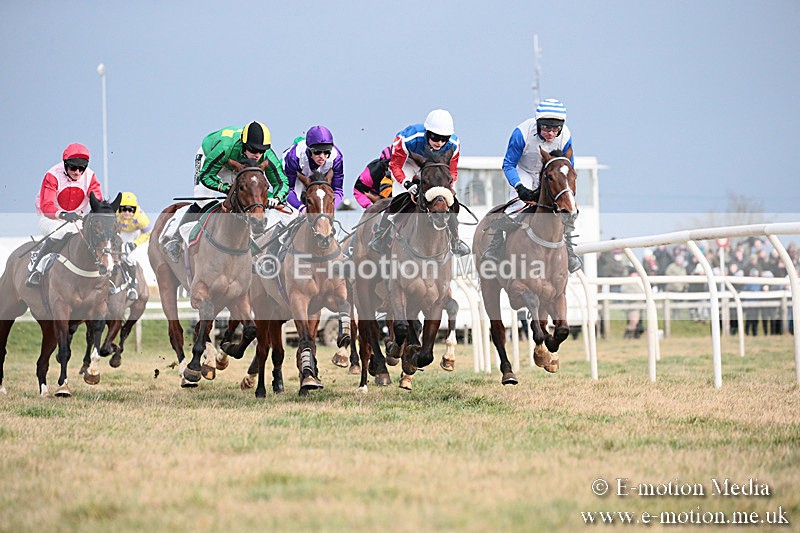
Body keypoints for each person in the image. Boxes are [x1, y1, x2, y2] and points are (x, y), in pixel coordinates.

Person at [163, 121, 289, 261]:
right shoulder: (225, 148)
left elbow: (281, 182)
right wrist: (224, 187)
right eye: (253, 150)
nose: (258, 155)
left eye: (261, 150)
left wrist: (276, 198)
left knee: (250, 201)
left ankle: (247, 248)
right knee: (203, 200)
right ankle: (176, 239)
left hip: (240, 167)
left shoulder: (266, 156)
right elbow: (205, 176)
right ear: (244, 145)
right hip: (211, 158)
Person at [483, 98, 582, 272]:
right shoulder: (521, 133)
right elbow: (508, 164)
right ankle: (495, 246)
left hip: (550, 174)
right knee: (517, 206)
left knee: (563, 208)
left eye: (554, 129)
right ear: (538, 124)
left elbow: (568, 168)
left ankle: (569, 251)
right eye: (545, 128)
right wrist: (520, 187)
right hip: (523, 171)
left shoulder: (566, 135)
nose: (550, 134)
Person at [368, 109, 470, 257]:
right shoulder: (407, 139)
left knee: (450, 200)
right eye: (435, 138)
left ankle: (456, 240)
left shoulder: (454, 144)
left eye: (444, 139)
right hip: (408, 163)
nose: (440, 143)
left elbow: (452, 171)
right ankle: (380, 235)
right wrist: (407, 184)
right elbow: (395, 166)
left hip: (434, 168)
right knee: (399, 199)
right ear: (428, 133)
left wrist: (448, 187)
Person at [27, 143, 103, 286]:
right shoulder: (52, 175)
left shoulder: (90, 176)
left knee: (91, 237)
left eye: (82, 168)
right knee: (60, 233)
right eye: (73, 167)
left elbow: (97, 200)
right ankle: (37, 265)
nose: (77, 172)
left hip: (76, 218)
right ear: (65, 164)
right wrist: (63, 215)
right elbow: (47, 206)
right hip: (51, 217)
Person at [263, 126, 344, 256]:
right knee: (290, 216)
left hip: (320, 181)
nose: (322, 157)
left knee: (327, 218)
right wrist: (301, 208)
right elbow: (288, 190)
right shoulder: (294, 157)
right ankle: (271, 255)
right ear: (309, 150)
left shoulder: (337, 157)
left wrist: (328, 209)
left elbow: (338, 190)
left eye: (326, 152)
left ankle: (340, 255)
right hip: (296, 177)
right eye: (317, 152)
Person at [116, 191, 151, 300]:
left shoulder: (141, 218)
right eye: (124, 209)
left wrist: (135, 244)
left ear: (135, 209)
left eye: (130, 210)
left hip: (135, 234)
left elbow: (148, 233)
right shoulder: (115, 214)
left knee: (128, 258)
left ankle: (132, 285)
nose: (127, 212)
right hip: (120, 233)